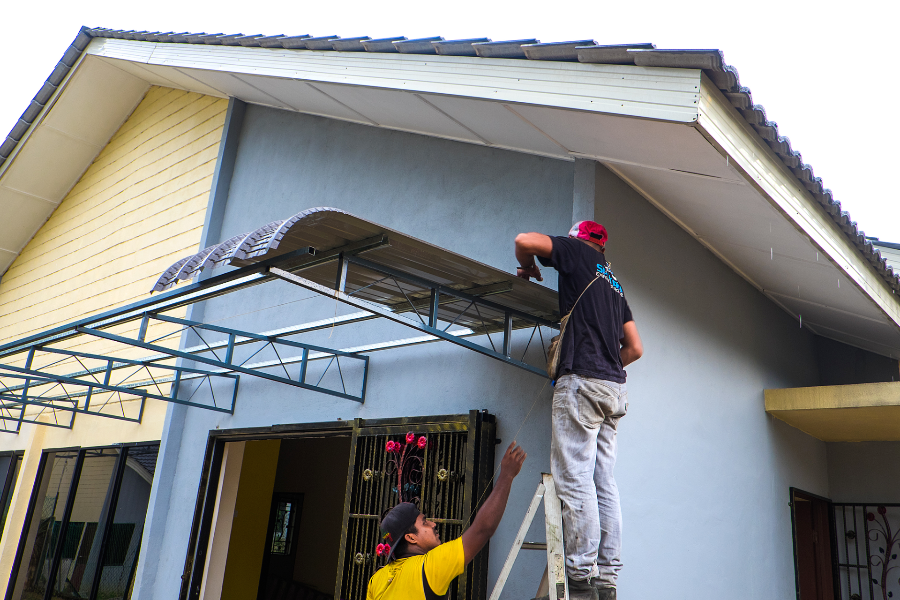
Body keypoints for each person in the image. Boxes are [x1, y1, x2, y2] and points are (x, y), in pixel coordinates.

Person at [514, 221, 643, 600]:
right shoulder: (614, 284)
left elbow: (524, 241)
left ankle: (581, 577)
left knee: (575, 480)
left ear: (579, 239)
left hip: (582, 382)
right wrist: (605, 362)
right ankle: (607, 579)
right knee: (605, 482)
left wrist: (528, 267)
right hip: (613, 389)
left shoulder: (575, 252)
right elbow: (634, 348)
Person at [366, 442, 527, 600]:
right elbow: (482, 530)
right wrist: (507, 475)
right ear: (411, 537)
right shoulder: (429, 566)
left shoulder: (377, 579)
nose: (433, 524)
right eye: (424, 522)